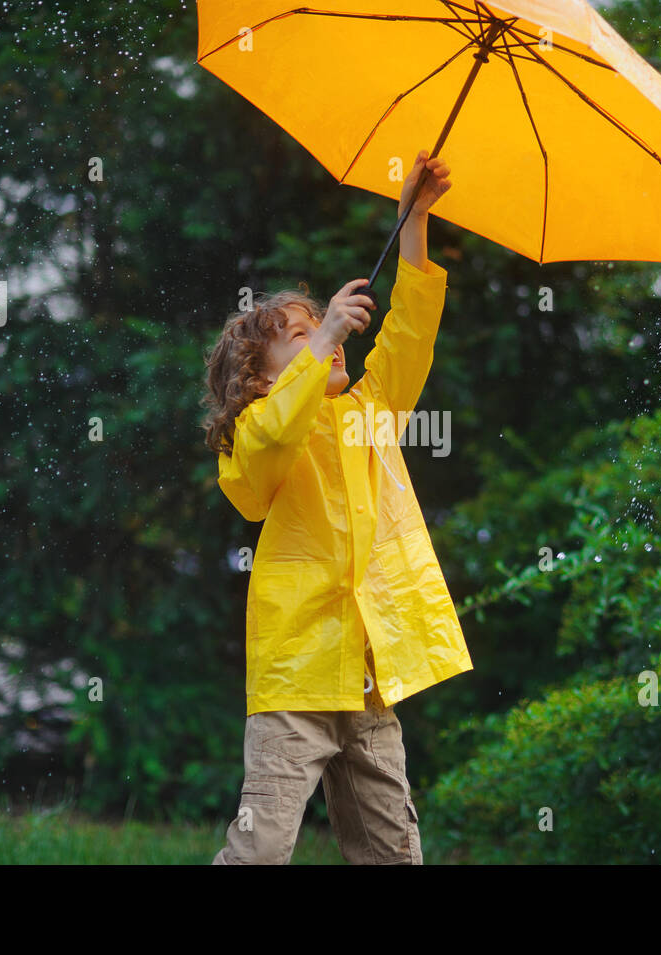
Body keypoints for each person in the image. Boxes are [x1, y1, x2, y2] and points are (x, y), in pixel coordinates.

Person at [201, 149, 472, 864]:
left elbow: (410, 334)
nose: (324, 331)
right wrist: (324, 340)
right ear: (257, 382)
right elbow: (260, 466)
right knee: (259, 852)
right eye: (300, 334)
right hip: (295, 680)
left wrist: (411, 223)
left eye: (322, 322)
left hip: (371, 680)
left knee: (394, 854)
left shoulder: (367, 411)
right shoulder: (254, 434)